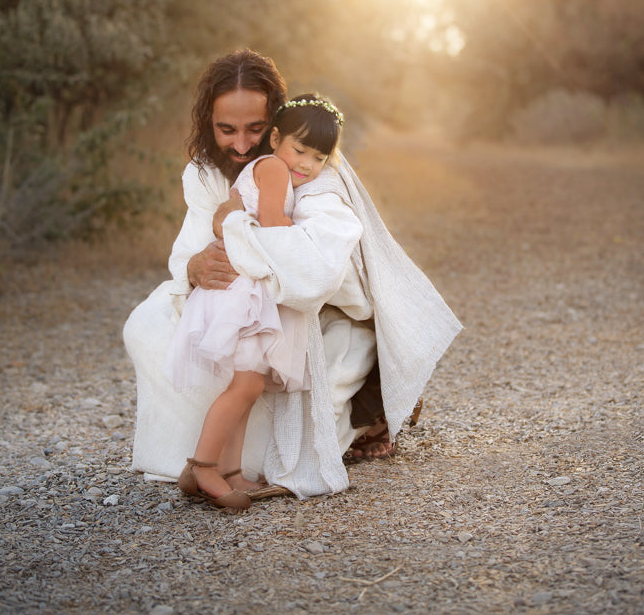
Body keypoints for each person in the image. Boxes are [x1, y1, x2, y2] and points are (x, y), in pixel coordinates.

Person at [123, 49, 461, 499]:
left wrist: (235, 231)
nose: (242, 145)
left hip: (322, 315)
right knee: (146, 326)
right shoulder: (204, 173)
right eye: (226, 130)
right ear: (209, 124)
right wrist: (194, 266)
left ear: (276, 125)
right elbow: (186, 251)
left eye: (255, 130)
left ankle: (373, 407)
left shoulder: (312, 171)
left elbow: (314, 271)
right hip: (241, 302)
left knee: (276, 383)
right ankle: (203, 460)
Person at [165, 94, 345, 510]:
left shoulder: (271, 168)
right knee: (244, 386)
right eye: (299, 150)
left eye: (318, 159)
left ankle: (230, 471)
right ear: (276, 137)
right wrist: (305, 236)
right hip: (240, 294)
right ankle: (201, 465)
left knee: (248, 384)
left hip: (246, 293)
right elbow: (273, 226)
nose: (306, 165)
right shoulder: (273, 168)